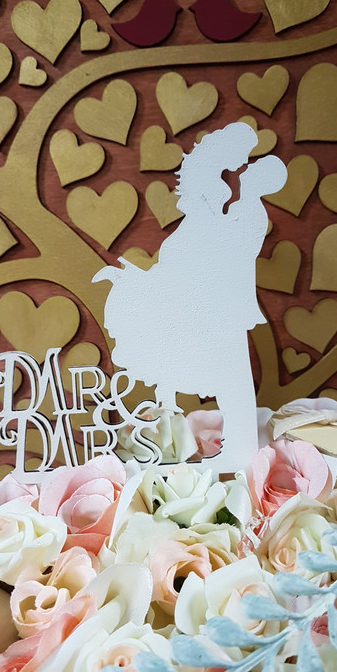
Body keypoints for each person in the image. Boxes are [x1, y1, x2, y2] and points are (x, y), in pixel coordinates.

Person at [93, 122, 287, 471]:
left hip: (220, 315)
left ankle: (236, 448)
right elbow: (186, 267)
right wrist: (139, 283)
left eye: (249, 171)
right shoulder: (218, 217)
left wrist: (151, 285)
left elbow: (212, 266)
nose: (241, 176)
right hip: (207, 313)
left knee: (231, 382)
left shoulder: (241, 217)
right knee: (220, 380)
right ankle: (198, 445)